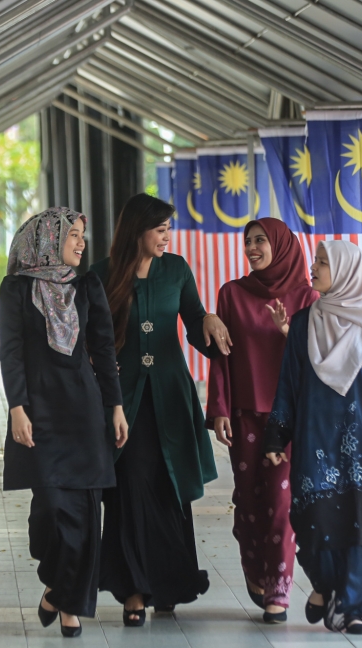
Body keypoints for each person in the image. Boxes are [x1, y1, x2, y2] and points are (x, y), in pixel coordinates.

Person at [263, 240, 362, 635]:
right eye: (314, 261)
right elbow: (288, 386)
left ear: (346, 271)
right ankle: (327, 586)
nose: (313, 268)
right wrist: (275, 439)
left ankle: (360, 610)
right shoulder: (302, 324)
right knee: (312, 523)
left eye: (322, 263)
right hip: (315, 442)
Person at [92, 193, 231, 627]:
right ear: (138, 231)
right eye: (159, 230)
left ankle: (169, 585)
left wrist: (208, 318)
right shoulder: (101, 274)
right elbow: (90, 337)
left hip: (170, 398)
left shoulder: (177, 270)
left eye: (168, 229)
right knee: (129, 486)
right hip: (123, 402)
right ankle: (133, 591)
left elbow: (192, 322)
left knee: (169, 487)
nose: (166, 237)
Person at [0, 207, 129, 638]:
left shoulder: (88, 284)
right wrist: (17, 407)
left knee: (86, 511)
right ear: (47, 238)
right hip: (40, 412)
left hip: (85, 410)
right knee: (51, 511)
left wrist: (116, 406)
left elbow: (105, 350)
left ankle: (67, 600)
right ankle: (58, 581)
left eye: (81, 235)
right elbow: (11, 351)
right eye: (72, 234)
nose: (81, 243)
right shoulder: (16, 289)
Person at [207, 218, 317, 624]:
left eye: (260, 241)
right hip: (245, 414)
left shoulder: (308, 297)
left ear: (282, 245)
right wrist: (219, 408)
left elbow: (318, 360)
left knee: (280, 503)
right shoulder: (232, 294)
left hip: (289, 415)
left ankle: (279, 591)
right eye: (248, 241)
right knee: (249, 501)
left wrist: (289, 333)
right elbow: (222, 355)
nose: (252, 248)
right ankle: (257, 571)